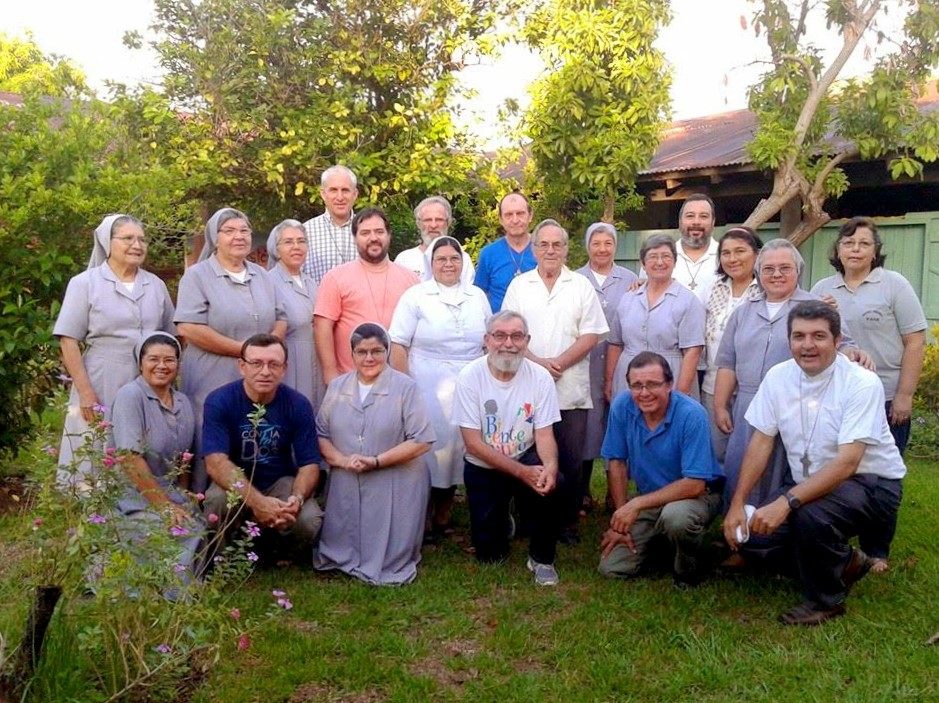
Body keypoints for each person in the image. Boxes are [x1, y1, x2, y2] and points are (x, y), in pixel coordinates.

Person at [724, 301, 905, 626]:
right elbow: (762, 441)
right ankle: (846, 561)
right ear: (789, 339)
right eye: (799, 336)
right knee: (753, 539)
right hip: (808, 480)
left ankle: (826, 600)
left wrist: (786, 502)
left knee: (810, 515)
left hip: (871, 484)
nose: (808, 345)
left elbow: (848, 463)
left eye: (819, 336)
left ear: (837, 341)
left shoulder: (861, 383)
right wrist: (739, 503)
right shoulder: (778, 377)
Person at [713, 238, 867, 506]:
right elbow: (727, 362)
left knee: (785, 471)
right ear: (758, 273)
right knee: (743, 467)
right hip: (747, 405)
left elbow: (843, 345)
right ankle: (738, 531)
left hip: (798, 407)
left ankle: (778, 531)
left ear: (798, 271)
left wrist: (854, 354)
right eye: (768, 269)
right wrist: (720, 405)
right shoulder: (744, 313)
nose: (776, 275)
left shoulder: (815, 306)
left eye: (785, 268)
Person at [811, 217, 925, 572]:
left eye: (863, 243)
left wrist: (905, 395)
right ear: (838, 250)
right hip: (837, 398)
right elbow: (813, 337)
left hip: (887, 396)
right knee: (838, 470)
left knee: (882, 475)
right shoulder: (824, 288)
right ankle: (839, 539)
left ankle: (877, 549)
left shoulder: (894, 285)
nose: (855, 249)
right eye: (848, 243)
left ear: (876, 251)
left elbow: (915, 341)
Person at [502, 218, 607, 542]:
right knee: (525, 452)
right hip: (526, 383)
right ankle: (529, 517)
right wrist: (537, 363)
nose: (550, 250)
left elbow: (592, 333)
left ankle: (566, 523)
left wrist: (558, 363)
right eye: (544, 244)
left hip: (570, 385)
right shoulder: (520, 286)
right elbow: (507, 332)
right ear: (534, 249)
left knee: (570, 459)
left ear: (566, 249)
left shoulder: (580, 286)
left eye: (557, 244)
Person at [54, 214, 175, 486]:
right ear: (108, 242)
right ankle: (94, 511)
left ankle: (144, 504)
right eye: (128, 238)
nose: (137, 245)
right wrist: (86, 392)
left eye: (142, 239)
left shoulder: (155, 285)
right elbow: (68, 340)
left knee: (142, 441)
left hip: (148, 378)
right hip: (102, 374)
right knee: (99, 443)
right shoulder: (84, 283)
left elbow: (172, 336)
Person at [175, 208, 286, 493]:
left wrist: (265, 355)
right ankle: (206, 508)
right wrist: (246, 351)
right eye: (229, 231)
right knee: (213, 438)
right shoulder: (198, 277)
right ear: (215, 237)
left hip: (256, 377)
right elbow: (189, 328)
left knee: (253, 436)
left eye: (244, 230)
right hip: (212, 377)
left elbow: (280, 318)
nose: (239, 237)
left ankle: (254, 509)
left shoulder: (262, 276)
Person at [315, 323, 435, 585]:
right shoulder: (336, 387)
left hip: (396, 475)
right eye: (362, 352)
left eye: (377, 351)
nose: (369, 358)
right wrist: (343, 460)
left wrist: (377, 461)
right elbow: (321, 434)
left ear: (387, 351)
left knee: (388, 543)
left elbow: (421, 440)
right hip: (348, 473)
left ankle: (387, 556)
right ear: (352, 354)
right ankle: (344, 553)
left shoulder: (406, 388)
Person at [389, 236, 491, 540]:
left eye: (454, 258)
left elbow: (488, 342)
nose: (448, 264)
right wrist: (406, 388)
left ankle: (445, 516)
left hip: (470, 382)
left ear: (463, 262)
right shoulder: (415, 296)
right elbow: (398, 344)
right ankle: (424, 518)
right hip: (427, 383)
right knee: (431, 450)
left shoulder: (477, 296)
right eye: (441, 259)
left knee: (461, 448)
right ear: (430, 264)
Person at [453, 310, 564, 586]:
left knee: (553, 482)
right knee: (490, 555)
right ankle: (504, 520)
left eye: (516, 336)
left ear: (527, 340)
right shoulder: (469, 376)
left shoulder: (540, 377)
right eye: (499, 336)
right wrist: (521, 473)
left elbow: (545, 434)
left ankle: (541, 558)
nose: (508, 343)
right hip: (484, 464)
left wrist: (549, 466)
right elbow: (473, 443)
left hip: (524, 454)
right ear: (487, 340)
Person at [598, 352, 723, 588]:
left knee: (676, 518)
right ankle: (662, 545)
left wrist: (633, 505)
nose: (644, 393)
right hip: (650, 497)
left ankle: (688, 569)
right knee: (612, 568)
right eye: (637, 385)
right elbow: (616, 462)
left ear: (669, 385)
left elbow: (695, 483)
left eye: (653, 384)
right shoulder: (622, 406)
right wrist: (620, 519)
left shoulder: (692, 414)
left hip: (697, 495)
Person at [202, 334, 324, 561]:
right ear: (242, 366)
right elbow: (216, 463)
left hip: (279, 482)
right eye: (256, 363)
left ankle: (275, 553)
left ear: (284, 368)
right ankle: (221, 559)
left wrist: (296, 500)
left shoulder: (298, 404)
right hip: (235, 481)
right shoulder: (220, 400)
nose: (265, 371)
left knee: (309, 518)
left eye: (273, 364)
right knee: (218, 501)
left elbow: (309, 464)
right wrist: (258, 503)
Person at [110, 331, 201, 582]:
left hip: (170, 493)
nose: (162, 366)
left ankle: (180, 584)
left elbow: (185, 460)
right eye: (153, 359)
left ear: (178, 365)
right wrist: (164, 506)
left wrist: (182, 496)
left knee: (202, 523)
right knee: (179, 530)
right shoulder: (131, 396)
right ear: (140, 363)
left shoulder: (183, 402)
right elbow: (129, 459)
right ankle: (173, 595)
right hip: (133, 494)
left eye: (169, 360)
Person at [313, 207, 419, 384]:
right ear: (354, 238)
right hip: (350, 380)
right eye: (365, 233)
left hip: (397, 382)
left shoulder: (410, 279)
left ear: (389, 235)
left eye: (379, 232)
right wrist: (330, 372)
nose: (373, 238)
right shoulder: (335, 277)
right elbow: (322, 326)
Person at [575, 222, 638, 513]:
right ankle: (582, 490)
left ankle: (618, 494)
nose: (602, 249)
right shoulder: (574, 279)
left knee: (619, 426)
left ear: (615, 247)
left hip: (619, 362)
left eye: (608, 243)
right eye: (596, 243)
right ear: (587, 246)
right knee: (585, 427)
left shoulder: (630, 279)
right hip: (583, 363)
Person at [605, 234, 705, 401]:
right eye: (652, 257)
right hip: (628, 379)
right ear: (643, 263)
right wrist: (609, 381)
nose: (660, 262)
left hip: (670, 378)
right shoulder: (628, 298)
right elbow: (615, 344)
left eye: (666, 256)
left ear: (674, 261)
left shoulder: (688, 300)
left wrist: (681, 392)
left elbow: (693, 350)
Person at [700, 227, 762, 464]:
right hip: (713, 384)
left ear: (756, 254)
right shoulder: (711, 286)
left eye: (740, 251)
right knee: (716, 449)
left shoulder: (767, 288)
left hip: (753, 387)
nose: (733, 258)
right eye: (726, 253)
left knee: (750, 451)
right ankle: (717, 498)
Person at [266, 219, 323, 408]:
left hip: (317, 365)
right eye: (288, 242)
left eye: (301, 241)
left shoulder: (312, 283)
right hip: (288, 365)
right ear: (276, 248)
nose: (296, 247)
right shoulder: (267, 283)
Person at [638, 194, 720, 304]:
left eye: (703, 216)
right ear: (680, 221)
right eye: (690, 216)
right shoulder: (658, 259)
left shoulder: (726, 258)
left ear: (713, 221)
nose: (696, 222)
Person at [473, 192, 537, 311]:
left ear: (530, 215)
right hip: (500, 327)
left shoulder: (544, 250)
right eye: (508, 215)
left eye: (520, 213)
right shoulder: (488, 254)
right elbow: (480, 296)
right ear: (501, 219)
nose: (515, 220)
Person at [393, 196, 475, 286]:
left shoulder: (462, 259)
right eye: (427, 220)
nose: (433, 225)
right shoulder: (404, 260)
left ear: (448, 223)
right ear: (418, 224)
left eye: (439, 220)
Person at [302, 165, 358, 285]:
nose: (340, 197)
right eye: (333, 190)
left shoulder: (369, 231)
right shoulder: (305, 232)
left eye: (345, 190)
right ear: (323, 194)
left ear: (355, 194)